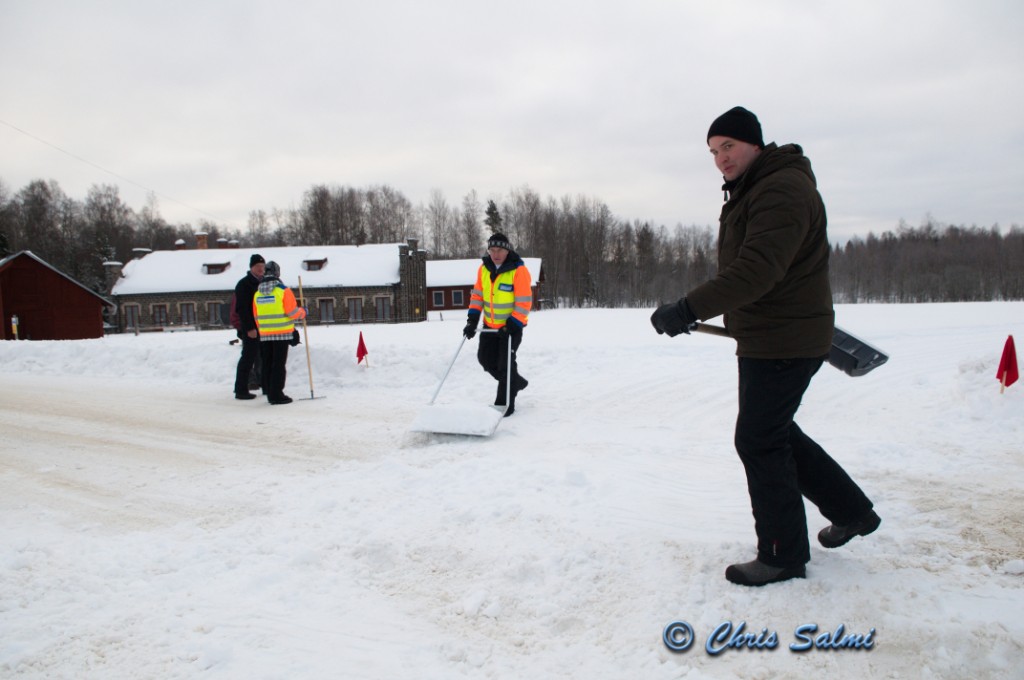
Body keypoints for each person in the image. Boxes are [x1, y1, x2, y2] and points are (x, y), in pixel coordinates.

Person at [650, 106, 880, 587]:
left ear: (754, 143)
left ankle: (782, 554)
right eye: (713, 151)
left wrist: (689, 307)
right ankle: (852, 511)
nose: (720, 159)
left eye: (728, 146)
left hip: (785, 338)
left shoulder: (780, 189)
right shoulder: (758, 188)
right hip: (773, 334)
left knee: (758, 439)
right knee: (774, 433)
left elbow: (757, 270)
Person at [463, 232, 532, 416]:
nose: (495, 254)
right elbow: (477, 296)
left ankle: (504, 404)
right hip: (489, 326)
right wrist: (472, 321)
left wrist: (513, 324)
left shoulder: (518, 270)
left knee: (505, 364)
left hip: (510, 329)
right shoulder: (484, 269)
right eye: (492, 250)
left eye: (499, 250)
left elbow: (524, 301)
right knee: (485, 360)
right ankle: (514, 382)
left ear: (507, 250)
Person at [253, 261, 306, 405]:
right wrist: (303, 312)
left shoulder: (257, 293)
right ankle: (277, 394)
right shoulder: (283, 291)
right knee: (278, 364)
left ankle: (269, 391)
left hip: (265, 334)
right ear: (277, 273)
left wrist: (262, 330)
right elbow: (292, 312)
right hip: (282, 333)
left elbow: (256, 316)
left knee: (268, 363)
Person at [233, 254, 265, 399]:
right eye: (258, 267)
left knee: (264, 357)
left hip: (265, 327)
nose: (261, 269)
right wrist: (249, 328)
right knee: (248, 358)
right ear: (251, 267)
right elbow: (242, 309)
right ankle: (240, 389)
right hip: (251, 328)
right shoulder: (244, 284)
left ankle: (266, 385)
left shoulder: (265, 283)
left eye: (263, 267)